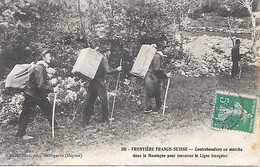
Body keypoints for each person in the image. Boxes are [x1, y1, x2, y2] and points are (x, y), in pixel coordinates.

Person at [16, 49, 59, 138]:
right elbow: (41, 85)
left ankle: (55, 126)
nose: (50, 58)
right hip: (32, 95)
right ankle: (20, 134)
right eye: (49, 56)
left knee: (47, 108)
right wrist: (52, 89)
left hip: (37, 94)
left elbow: (41, 83)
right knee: (26, 113)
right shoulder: (39, 68)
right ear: (43, 57)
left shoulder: (42, 67)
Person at [82, 45, 122, 127]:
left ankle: (85, 120)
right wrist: (117, 69)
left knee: (90, 100)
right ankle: (105, 119)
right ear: (106, 52)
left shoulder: (96, 58)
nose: (110, 53)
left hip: (92, 82)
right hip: (100, 82)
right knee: (104, 100)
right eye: (109, 51)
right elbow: (107, 71)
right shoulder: (103, 59)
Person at [144, 44, 171, 113]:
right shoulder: (157, 56)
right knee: (150, 92)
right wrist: (166, 76)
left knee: (157, 91)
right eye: (166, 49)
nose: (168, 50)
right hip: (151, 76)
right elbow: (157, 70)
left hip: (154, 76)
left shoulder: (159, 56)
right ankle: (148, 109)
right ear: (162, 49)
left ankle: (159, 105)